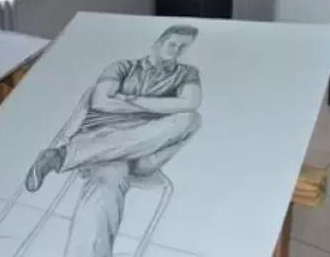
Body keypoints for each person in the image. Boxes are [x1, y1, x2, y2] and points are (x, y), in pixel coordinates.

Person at [24, 25, 202, 256]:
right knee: (109, 176)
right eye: (172, 44)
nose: (176, 50)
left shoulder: (187, 73)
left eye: (183, 47)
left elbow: (189, 103)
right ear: (157, 43)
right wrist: (163, 106)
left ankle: (62, 156)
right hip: (101, 140)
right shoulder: (122, 67)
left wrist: (129, 100)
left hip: (146, 154)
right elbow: (100, 101)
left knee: (190, 118)